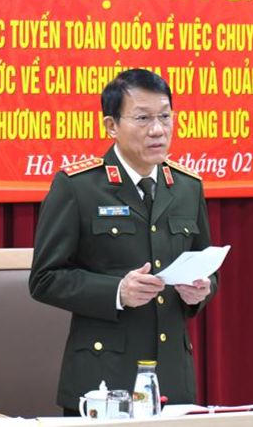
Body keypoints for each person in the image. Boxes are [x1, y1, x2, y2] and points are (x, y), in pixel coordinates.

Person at [29, 68, 218, 415]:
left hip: (173, 380)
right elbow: (44, 279)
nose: (158, 130)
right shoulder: (78, 187)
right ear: (111, 126)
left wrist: (201, 290)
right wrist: (118, 291)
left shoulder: (187, 187)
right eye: (143, 118)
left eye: (165, 116)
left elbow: (205, 265)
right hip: (103, 382)